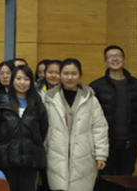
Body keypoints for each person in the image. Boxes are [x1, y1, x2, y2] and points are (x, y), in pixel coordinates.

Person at [44, 58, 109, 191]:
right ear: (60, 75)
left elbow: (99, 128)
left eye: (74, 73)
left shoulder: (90, 99)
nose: (69, 77)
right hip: (56, 154)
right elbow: (43, 128)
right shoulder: (50, 98)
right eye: (66, 73)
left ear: (80, 75)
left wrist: (101, 155)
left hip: (84, 155)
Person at [90, 46, 137, 178]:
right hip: (105, 142)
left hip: (130, 141)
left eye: (118, 56)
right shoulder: (96, 86)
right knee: (106, 178)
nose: (115, 59)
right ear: (105, 61)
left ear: (124, 59)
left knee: (126, 177)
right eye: (110, 56)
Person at [0, 65, 48, 191]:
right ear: (12, 80)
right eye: (18, 78)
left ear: (31, 82)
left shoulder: (37, 103)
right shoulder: (1, 102)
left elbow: (43, 130)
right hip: (6, 158)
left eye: (26, 79)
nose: (22, 82)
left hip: (31, 158)